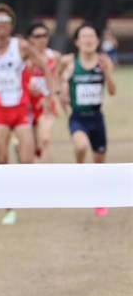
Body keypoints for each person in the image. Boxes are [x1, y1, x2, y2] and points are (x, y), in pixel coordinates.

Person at [0, 3, 53, 225]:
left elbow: (46, 67)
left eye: (6, 22)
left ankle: (23, 190)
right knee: (1, 161)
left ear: (11, 27)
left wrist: (49, 94)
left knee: (27, 161)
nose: (1, 26)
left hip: (20, 109)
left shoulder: (21, 46)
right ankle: (8, 207)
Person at [57, 23, 117, 217]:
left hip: (97, 118)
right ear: (77, 42)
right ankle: (80, 171)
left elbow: (113, 91)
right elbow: (60, 80)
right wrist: (61, 88)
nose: (88, 40)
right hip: (78, 118)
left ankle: (99, 202)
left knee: (100, 164)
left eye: (92, 36)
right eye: (84, 36)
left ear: (98, 40)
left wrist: (108, 71)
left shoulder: (103, 62)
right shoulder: (71, 63)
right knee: (81, 146)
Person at [24, 22, 60, 163]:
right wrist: (28, 87)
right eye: (37, 36)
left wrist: (54, 95)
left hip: (46, 102)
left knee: (45, 139)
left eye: (45, 35)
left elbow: (57, 78)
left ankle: (48, 180)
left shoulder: (54, 56)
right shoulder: (24, 58)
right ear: (30, 39)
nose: (42, 39)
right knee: (31, 147)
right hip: (27, 103)